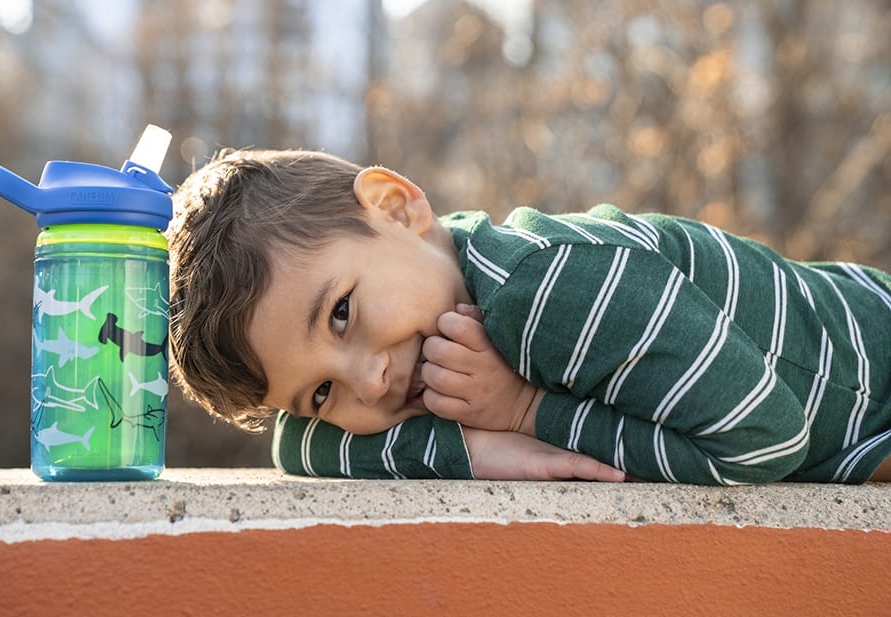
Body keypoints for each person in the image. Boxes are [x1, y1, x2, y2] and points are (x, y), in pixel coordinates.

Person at [167, 148, 891, 484]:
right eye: (321, 393)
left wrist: (528, 412)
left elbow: (768, 441)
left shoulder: (542, 293)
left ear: (397, 207)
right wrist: (472, 451)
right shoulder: (434, 293)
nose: (372, 379)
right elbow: (295, 450)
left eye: (342, 314)